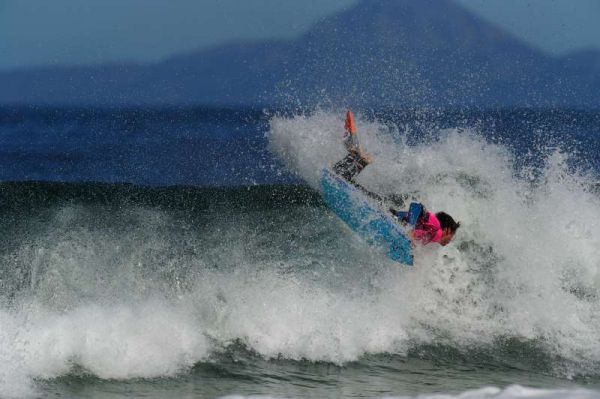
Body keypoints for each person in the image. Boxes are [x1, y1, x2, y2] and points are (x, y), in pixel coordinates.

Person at [333, 110, 460, 247]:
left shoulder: (431, 235)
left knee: (342, 178)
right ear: (447, 230)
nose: (449, 242)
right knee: (339, 177)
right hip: (381, 209)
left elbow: (416, 233)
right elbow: (416, 207)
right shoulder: (435, 227)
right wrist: (409, 230)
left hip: (383, 211)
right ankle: (357, 155)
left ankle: (359, 158)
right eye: (452, 236)